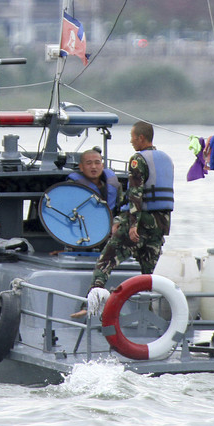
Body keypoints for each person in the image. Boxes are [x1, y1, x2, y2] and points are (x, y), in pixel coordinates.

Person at [75, 121, 174, 318]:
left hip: (142, 221)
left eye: (132, 137)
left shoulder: (138, 159)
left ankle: (91, 304)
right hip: (161, 225)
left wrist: (132, 225)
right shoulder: (166, 158)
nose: (130, 141)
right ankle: (147, 313)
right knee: (149, 273)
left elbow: (135, 194)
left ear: (141, 138)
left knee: (106, 260)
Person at [67, 147, 123, 214]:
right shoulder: (72, 187)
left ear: (102, 166)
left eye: (97, 163)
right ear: (81, 167)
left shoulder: (115, 186)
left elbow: (121, 209)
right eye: (89, 163)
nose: (93, 166)